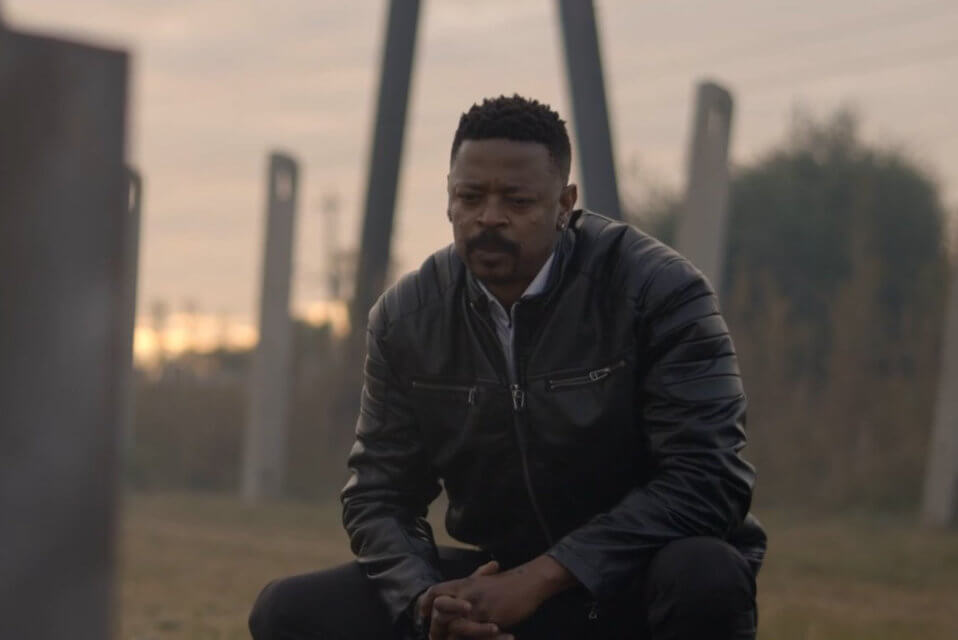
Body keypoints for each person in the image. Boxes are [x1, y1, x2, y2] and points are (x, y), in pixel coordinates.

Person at [249, 94, 766, 640]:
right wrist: (430, 603)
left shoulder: (657, 291)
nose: (489, 217)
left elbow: (708, 481)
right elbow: (379, 494)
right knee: (288, 611)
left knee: (705, 574)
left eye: (517, 201)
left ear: (565, 203)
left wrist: (543, 577)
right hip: (496, 582)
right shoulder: (406, 318)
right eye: (469, 197)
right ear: (448, 199)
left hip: (632, 587)